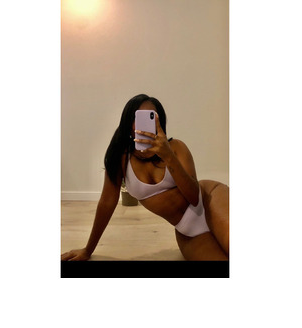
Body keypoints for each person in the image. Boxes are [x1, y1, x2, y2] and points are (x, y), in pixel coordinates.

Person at [61, 94, 229, 261]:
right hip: (188, 231)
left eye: (152, 116)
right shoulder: (121, 159)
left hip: (210, 201)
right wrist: (87, 250)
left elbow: (195, 198)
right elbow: (107, 203)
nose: (144, 124)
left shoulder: (176, 147)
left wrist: (168, 156)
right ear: (128, 122)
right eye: (138, 117)